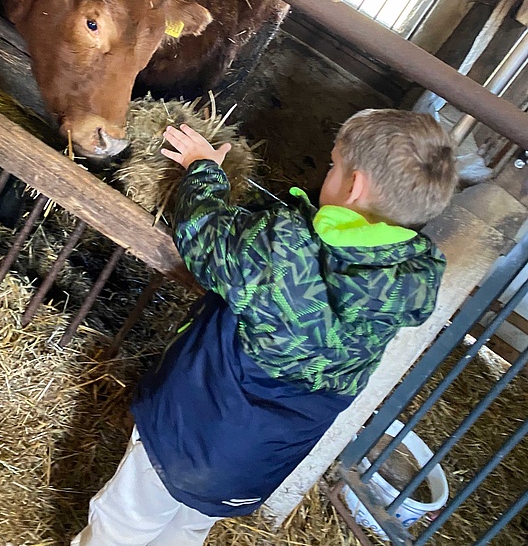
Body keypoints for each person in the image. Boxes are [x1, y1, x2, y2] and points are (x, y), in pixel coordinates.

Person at [70, 108, 457, 546]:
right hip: (258, 463)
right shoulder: (408, 280)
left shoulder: (284, 247)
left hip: (193, 433)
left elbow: (204, 235)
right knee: (187, 528)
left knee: (123, 523)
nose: (327, 173)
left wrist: (203, 170)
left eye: (333, 165)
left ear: (354, 186)